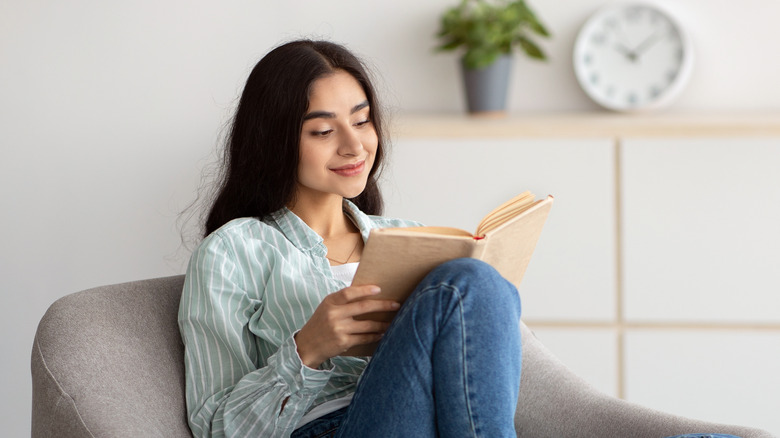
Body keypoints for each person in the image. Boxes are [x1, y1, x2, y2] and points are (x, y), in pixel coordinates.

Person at [178, 39, 523, 438]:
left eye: (361, 121)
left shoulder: (408, 235)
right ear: (274, 140)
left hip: (433, 422)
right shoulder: (231, 252)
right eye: (323, 130)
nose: (354, 146)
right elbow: (214, 427)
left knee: (478, 280)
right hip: (327, 427)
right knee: (464, 282)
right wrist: (308, 349)